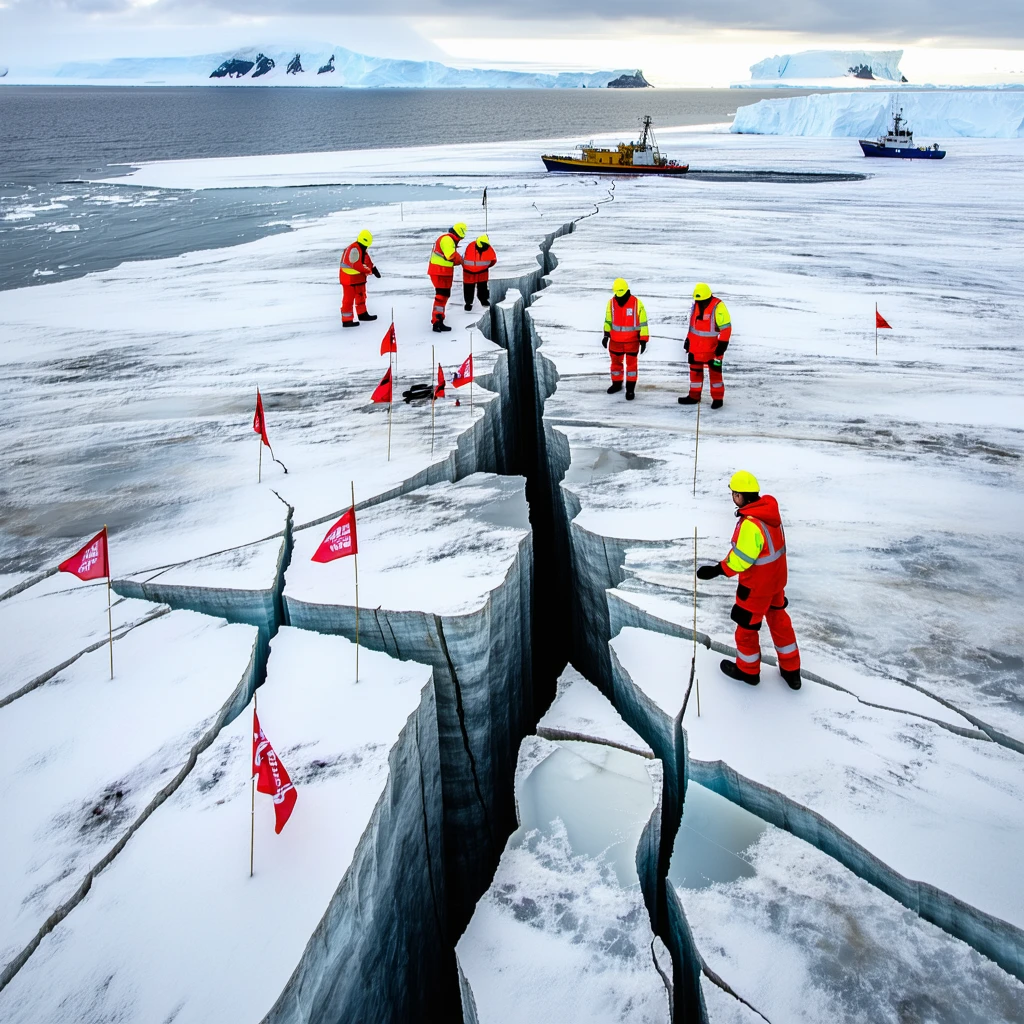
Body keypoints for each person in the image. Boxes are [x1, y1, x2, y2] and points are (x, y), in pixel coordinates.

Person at [696, 471, 802, 689]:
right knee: (780, 623)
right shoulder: (770, 513)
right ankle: (792, 672)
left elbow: (741, 560)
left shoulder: (751, 524)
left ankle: (748, 671)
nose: (733, 498)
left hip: (755, 588)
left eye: (734, 494)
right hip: (776, 583)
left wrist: (717, 570)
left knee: (746, 630)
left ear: (740, 496)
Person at [679, 283, 731, 408]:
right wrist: (688, 340)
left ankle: (718, 399)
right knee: (695, 373)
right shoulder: (695, 305)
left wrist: (722, 345)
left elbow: (726, 328)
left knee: (715, 374)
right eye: (697, 300)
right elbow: (693, 327)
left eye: (701, 300)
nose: (699, 302)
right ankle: (694, 396)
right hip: (696, 348)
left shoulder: (718, 307)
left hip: (713, 350)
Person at [602, 278, 649, 401]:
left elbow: (643, 323)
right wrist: (606, 335)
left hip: (632, 342)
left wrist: (643, 339)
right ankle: (616, 384)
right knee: (616, 365)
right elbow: (608, 320)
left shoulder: (637, 303)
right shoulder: (611, 303)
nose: (619, 297)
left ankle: (630, 389)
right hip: (615, 341)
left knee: (631, 367)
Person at [428, 222, 467, 332]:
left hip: (444, 272)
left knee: (444, 296)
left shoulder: (449, 240)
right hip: (439, 272)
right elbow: (450, 255)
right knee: (441, 296)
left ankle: (439, 320)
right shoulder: (447, 239)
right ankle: (436, 321)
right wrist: (460, 260)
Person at [339, 230, 380, 329]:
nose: (366, 247)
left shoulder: (361, 248)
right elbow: (357, 265)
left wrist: (373, 268)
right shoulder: (354, 249)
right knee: (348, 300)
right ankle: (347, 321)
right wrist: (369, 271)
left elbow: (366, 259)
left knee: (361, 296)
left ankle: (362, 314)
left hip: (358, 279)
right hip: (349, 279)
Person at [462, 235, 497, 310]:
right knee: (468, 288)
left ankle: (483, 300)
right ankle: (468, 303)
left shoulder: (489, 248)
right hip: (469, 272)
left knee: (482, 287)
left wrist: (485, 267)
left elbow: (493, 260)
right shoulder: (470, 246)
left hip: (482, 272)